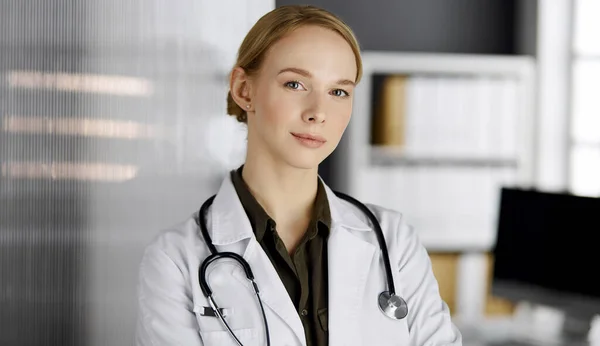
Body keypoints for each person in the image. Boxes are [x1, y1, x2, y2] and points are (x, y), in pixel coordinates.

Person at [135, 4, 463, 346]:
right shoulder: (176, 260)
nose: (318, 112)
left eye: (338, 91)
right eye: (294, 84)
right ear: (244, 90)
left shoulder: (394, 242)